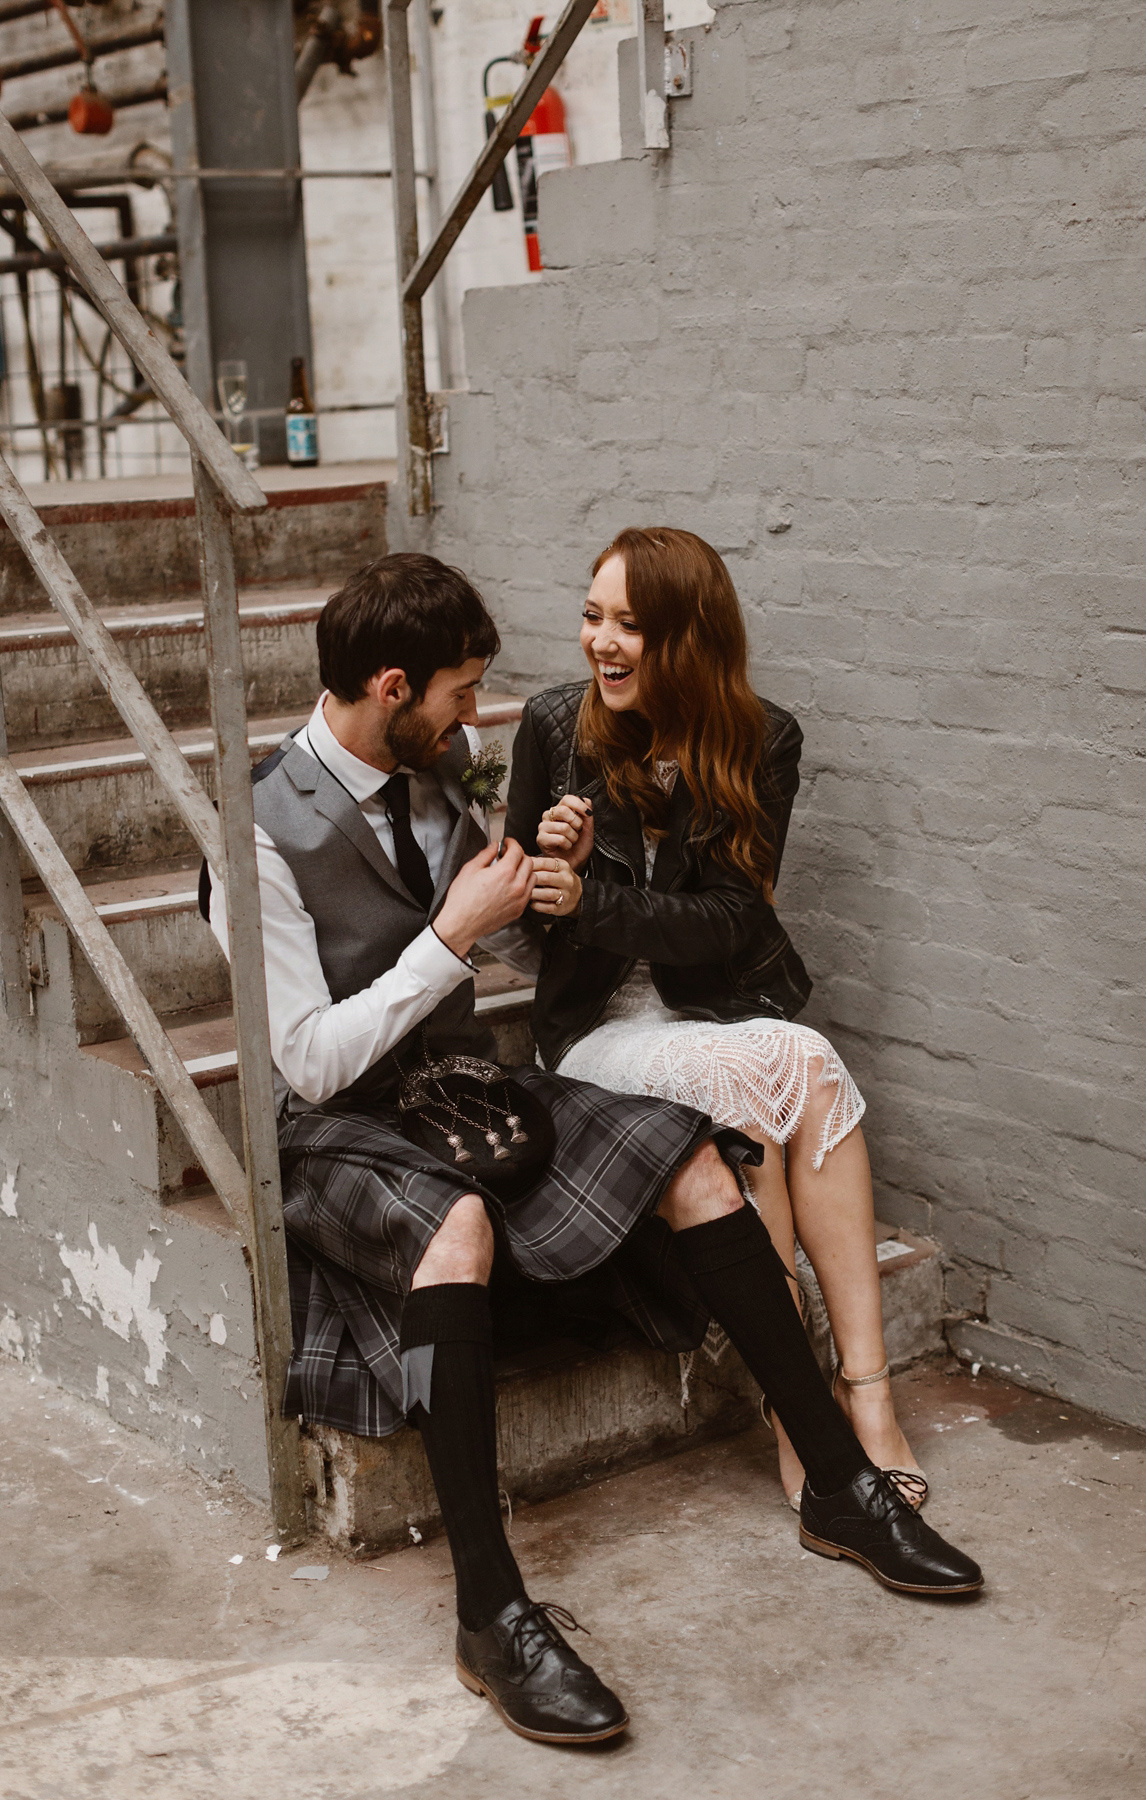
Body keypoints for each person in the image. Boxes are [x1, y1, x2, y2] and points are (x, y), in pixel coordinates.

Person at [204, 552, 982, 1749]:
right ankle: (491, 1612)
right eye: (462, 693)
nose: (481, 715)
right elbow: (305, 1061)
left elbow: (512, 967)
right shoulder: (255, 833)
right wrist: (452, 938)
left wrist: (552, 878)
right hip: (339, 1129)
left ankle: (836, 1482)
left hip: (466, 1090)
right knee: (458, 1231)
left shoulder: (430, 779)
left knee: (695, 1160)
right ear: (395, 685)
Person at [506, 526, 927, 1513]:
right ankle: (802, 1416)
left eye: (630, 627)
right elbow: (522, 921)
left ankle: (866, 1398)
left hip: (715, 1006)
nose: (600, 644)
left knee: (804, 1068)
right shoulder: (553, 727)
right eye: (591, 616)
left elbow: (735, 922)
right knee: (763, 1084)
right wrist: (542, 858)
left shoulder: (760, 738)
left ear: (690, 639)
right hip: (595, 1034)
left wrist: (592, 898)